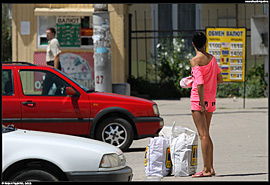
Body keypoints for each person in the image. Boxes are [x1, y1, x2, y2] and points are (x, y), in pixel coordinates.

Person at [190, 32, 223, 178]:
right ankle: (211, 167)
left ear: (193, 44)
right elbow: (219, 79)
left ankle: (205, 169)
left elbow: (200, 83)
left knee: (202, 135)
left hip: (199, 101)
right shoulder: (212, 59)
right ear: (205, 43)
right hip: (211, 100)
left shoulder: (195, 61)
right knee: (207, 135)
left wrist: (201, 103)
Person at [42, 27, 62, 95]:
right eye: (46, 33)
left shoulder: (54, 41)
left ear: (53, 34)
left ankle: (42, 99)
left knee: (46, 86)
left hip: (53, 65)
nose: (47, 35)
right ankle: (59, 96)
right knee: (59, 85)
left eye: (49, 33)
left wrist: (55, 70)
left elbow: (56, 56)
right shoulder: (50, 42)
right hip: (51, 65)